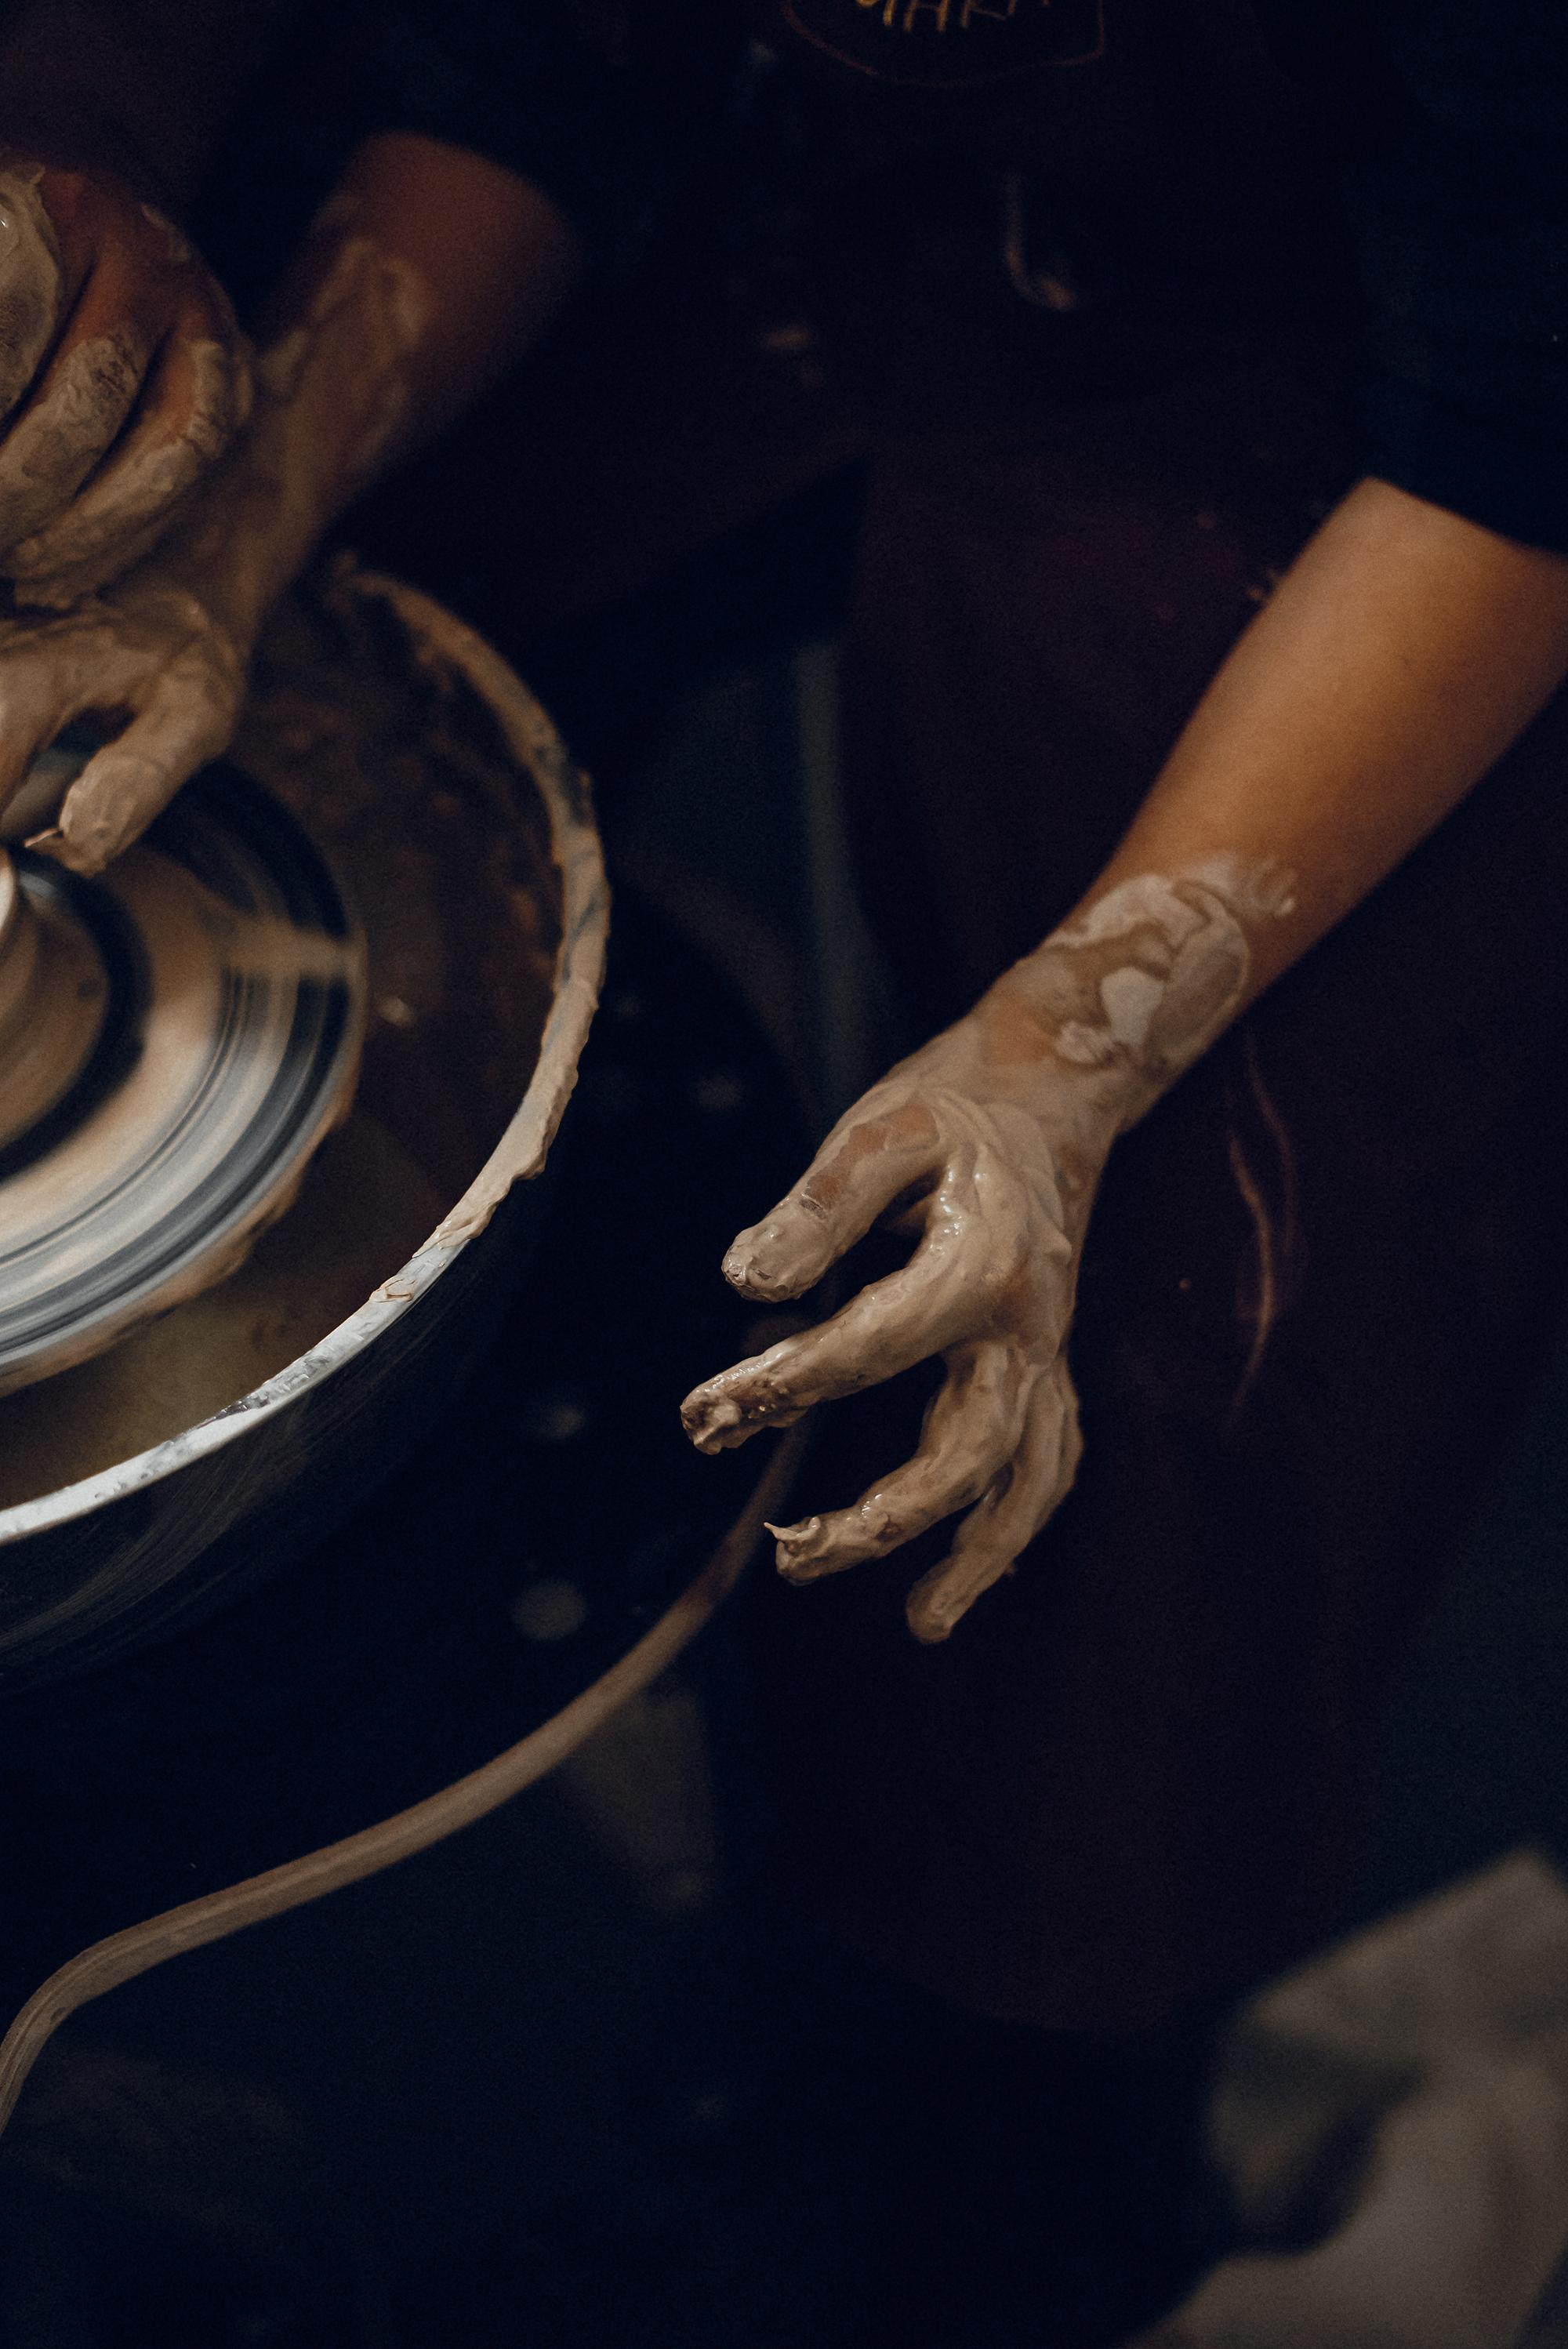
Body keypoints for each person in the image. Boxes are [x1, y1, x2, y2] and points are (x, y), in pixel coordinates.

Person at [2, 4, 1568, 2334]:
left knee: (1151, 1326)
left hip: (1340, 400)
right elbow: (559, 60)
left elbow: (1518, 427)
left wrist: (1065, 1047)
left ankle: (979, 2165)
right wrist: (234, 541)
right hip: (822, 192)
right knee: (327, 608)